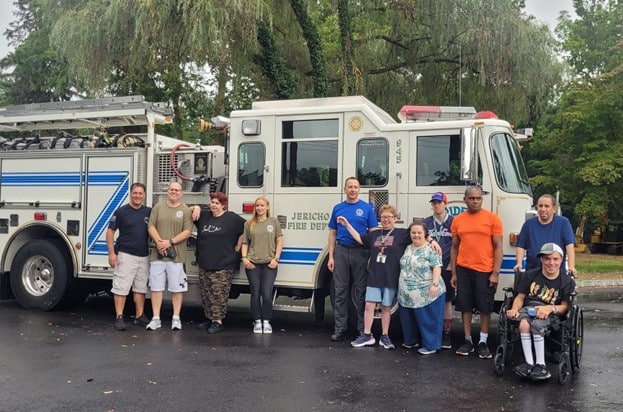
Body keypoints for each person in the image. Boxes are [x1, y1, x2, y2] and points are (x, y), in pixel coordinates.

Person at [337, 205, 410, 349]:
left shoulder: (402, 233)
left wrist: (432, 241)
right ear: (379, 219)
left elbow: (419, 234)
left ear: (395, 218)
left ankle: (385, 336)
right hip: (374, 275)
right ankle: (366, 335)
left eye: (389, 217)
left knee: (386, 307)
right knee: (369, 305)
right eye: (383, 217)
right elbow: (358, 238)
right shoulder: (374, 234)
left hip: (390, 277)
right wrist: (347, 225)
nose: (386, 220)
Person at [506, 243, 573, 380]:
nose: (551, 263)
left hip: (552, 312)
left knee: (536, 325)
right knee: (524, 324)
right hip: (529, 308)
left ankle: (541, 365)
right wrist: (514, 308)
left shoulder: (566, 281)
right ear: (541, 259)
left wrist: (551, 308)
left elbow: (565, 306)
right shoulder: (530, 275)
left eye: (555, 259)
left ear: (561, 260)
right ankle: (529, 363)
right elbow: (520, 296)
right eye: (547, 259)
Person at [450, 185, 503, 359]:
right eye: (471, 198)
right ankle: (467, 341)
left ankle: (483, 342)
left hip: (485, 270)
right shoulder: (458, 220)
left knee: (484, 307)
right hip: (463, 269)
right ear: (465, 199)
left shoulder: (492, 219)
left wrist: (495, 273)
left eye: (478, 198)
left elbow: (498, 247)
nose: (475, 201)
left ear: (482, 199)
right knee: (465, 306)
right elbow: (454, 247)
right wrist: (454, 273)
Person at [327, 177, 379, 342]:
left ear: (359, 190)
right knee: (340, 292)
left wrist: (372, 255)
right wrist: (331, 256)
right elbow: (332, 233)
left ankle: (362, 330)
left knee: (361, 292)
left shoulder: (367, 208)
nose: (352, 190)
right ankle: (339, 329)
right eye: (349, 187)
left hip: (361, 253)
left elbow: (373, 233)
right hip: (341, 252)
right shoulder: (338, 208)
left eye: (355, 187)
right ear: (345, 189)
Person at [193, 192, 245, 334]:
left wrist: (240, 244)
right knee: (206, 293)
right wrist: (196, 207)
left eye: (217, 203)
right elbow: (187, 210)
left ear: (223, 205)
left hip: (223, 264)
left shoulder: (232, 218)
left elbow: (247, 228)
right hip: (205, 262)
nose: (213, 205)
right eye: (212, 202)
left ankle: (218, 321)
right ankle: (210, 318)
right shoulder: (204, 217)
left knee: (218, 294)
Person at [145, 181, 193, 331]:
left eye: (177, 190)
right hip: (157, 256)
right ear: (167, 191)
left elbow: (187, 232)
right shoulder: (158, 207)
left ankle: (176, 318)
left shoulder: (185, 210)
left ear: (182, 193)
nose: (174, 192)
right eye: (171, 189)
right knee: (156, 288)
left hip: (176, 257)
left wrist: (169, 242)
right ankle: (156, 318)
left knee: (176, 289)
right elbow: (151, 226)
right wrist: (160, 243)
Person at [106, 182, 151, 331]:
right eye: (135, 193)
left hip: (143, 256)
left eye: (140, 193)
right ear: (130, 194)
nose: (138, 196)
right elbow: (110, 231)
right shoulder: (121, 212)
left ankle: (139, 316)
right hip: (125, 255)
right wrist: (112, 253)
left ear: (144, 195)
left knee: (140, 288)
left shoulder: (149, 212)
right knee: (121, 288)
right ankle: (119, 317)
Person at [398, 221, 446, 355]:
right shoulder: (407, 247)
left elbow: (437, 266)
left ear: (425, 234)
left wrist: (435, 284)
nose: (416, 235)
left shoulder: (431, 248)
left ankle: (431, 346)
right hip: (407, 293)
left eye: (420, 232)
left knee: (428, 320)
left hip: (427, 290)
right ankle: (411, 341)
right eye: (413, 232)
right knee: (408, 320)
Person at [241, 196, 283, 334]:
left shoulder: (274, 222)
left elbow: (279, 241)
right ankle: (257, 321)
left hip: (269, 264)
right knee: (255, 293)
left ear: (267, 207)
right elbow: (245, 243)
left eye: (262, 205)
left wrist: (276, 259)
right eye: (257, 206)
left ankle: (267, 321)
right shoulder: (249, 223)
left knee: (267, 294)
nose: (259, 208)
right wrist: (244, 259)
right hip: (253, 264)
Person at [514, 194, 576, 274]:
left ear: (554, 209)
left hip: (556, 274)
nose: (543, 209)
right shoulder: (528, 224)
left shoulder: (563, 223)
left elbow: (569, 246)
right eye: (540, 206)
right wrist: (519, 263)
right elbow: (521, 246)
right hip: (533, 272)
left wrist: (571, 266)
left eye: (546, 206)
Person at [423, 191, 455, 349]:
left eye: (439, 202)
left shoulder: (454, 222)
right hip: (429, 267)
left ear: (445, 203)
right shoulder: (426, 222)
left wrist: (453, 266)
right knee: (429, 299)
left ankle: (446, 333)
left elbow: (458, 245)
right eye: (434, 203)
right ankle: (430, 332)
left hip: (447, 266)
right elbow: (417, 238)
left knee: (447, 300)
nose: (436, 205)